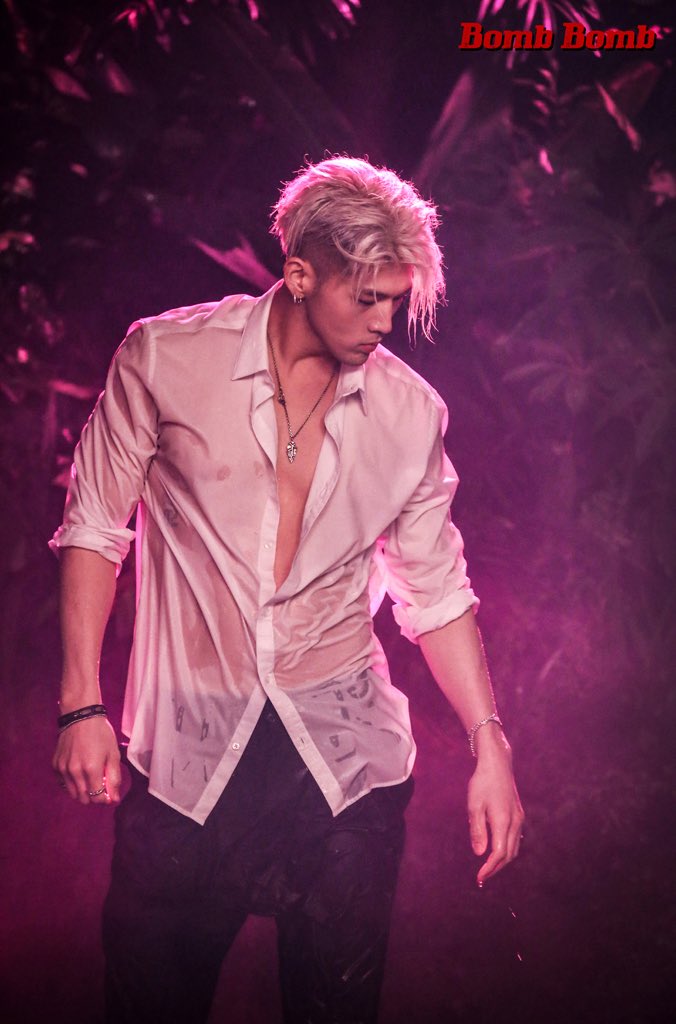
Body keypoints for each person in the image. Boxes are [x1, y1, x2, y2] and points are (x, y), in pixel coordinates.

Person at [51, 156, 524, 1024]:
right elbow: (93, 527)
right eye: (367, 298)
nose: (385, 323)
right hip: (186, 759)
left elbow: (436, 592)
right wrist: (81, 705)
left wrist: (489, 747)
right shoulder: (165, 358)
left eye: (397, 300)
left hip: (341, 767)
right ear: (301, 275)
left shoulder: (410, 415)